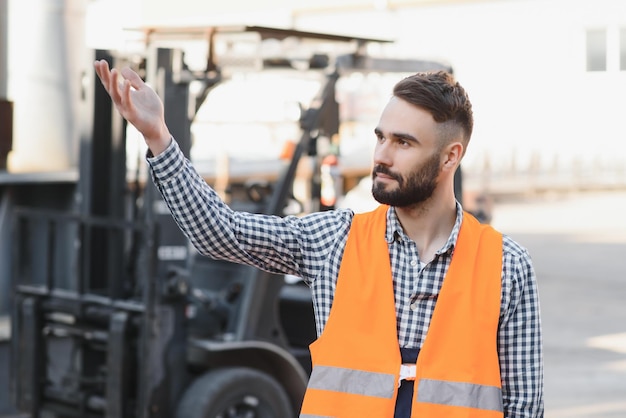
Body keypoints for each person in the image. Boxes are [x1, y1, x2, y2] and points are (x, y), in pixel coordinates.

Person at [94, 60, 544, 417]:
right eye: (380, 138)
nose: (382, 156)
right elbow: (220, 232)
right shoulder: (336, 240)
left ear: (450, 157)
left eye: (403, 143)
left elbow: (524, 409)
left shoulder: (506, 266)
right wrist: (158, 137)